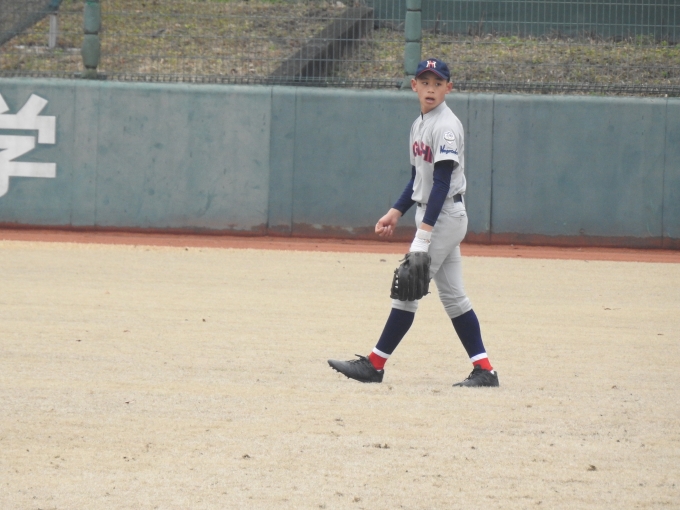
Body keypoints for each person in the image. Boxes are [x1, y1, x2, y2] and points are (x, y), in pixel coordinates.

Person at [328, 58, 499, 388]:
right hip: (435, 214)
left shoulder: (445, 126)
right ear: (414, 86)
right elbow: (418, 178)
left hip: (443, 215)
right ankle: (485, 370)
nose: (430, 88)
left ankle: (375, 365)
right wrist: (396, 211)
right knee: (454, 298)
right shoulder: (419, 123)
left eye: (438, 83)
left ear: (449, 88)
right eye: (425, 82)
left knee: (407, 288)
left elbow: (442, 183)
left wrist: (424, 234)